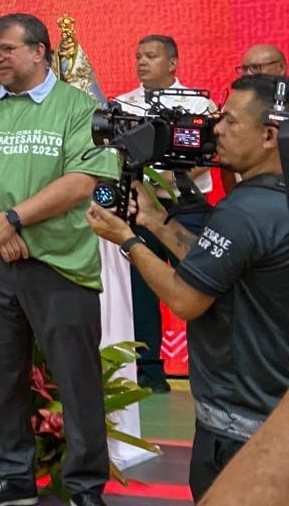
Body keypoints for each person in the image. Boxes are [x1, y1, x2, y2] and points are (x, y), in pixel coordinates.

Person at [0, 13, 120, 506]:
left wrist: (14, 219)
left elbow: (83, 181)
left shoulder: (79, 107)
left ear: (40, 51)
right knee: (1, 376)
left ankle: (84, 487)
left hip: (60, 264)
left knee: (77, 378)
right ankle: (12, 479)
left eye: (6, 49)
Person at [87, 73, 289, 502]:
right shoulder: (271, 201)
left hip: (239, 430)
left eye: (230, 121)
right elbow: (218, 266)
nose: (216, 130)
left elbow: (185, 298)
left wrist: (126, 239)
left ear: (269, 135)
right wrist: (154, 220)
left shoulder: (245, 211)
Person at [111, 34, 217, 393]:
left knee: (200, 285)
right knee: (142, 289)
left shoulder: (198, 103)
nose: (142, 62)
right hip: (140, 207)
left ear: (172, 62)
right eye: (138, 56)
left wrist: (168, 183)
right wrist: (142, 190)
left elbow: (207, 152)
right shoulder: (123, 105)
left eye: (151, 56)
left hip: (187, 207)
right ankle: (149, 373)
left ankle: (209, 370)